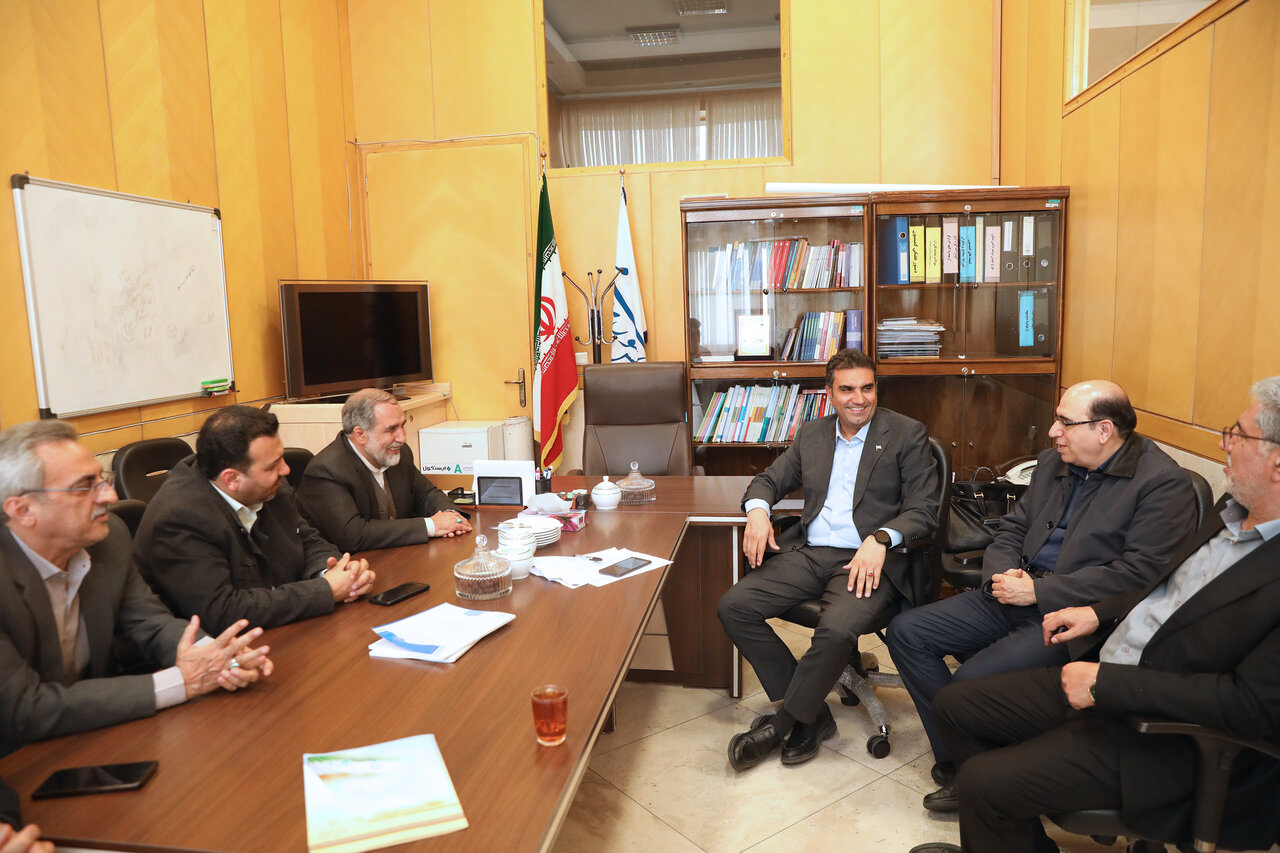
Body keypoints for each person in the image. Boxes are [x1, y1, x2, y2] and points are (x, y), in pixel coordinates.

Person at [909, 376, 1280, 853]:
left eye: (1238, 435)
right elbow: (1157, 587)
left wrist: (1107, 683)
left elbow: (1252, 706)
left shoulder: (1173, 491)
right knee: (955, 705)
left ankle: (999, 802)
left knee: (984, 780)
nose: (1223, 443)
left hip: (1160, 728)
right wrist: (1098, 614)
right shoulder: (1232, 510)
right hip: (1110, 662)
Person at [887, 380, 1198, 811]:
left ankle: (981, 777)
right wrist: (1001, 575)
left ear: (1104, 430)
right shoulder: (1055, 461)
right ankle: (965, 761)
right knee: (907, 632)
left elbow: (1140, 575)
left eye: (1065, 423)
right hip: (1015, 589)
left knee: (968, 685)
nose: (1053, 432)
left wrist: (1039, 591)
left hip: (1071, 614)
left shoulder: (1162, 484)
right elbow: (1012, 528)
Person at [717, 348, 939, 769]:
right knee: (735, 606)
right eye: (848, 390)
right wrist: (758, 512)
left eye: (867, 388)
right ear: (830, 394)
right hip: (810, 552)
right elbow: (768, 479)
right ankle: (812, 712)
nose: (859, 399)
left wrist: (881, 538)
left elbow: (924, 509)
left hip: (868, 560)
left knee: (836, 630)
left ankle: (784, 723)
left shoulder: (906, 434)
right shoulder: (813, 434)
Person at [0, 421, 272, 758]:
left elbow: (151, 622)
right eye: (84, 487)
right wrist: (183, 681)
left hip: (95, 734)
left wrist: (216, 656)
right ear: (23, 510)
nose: (110, 497)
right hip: (18, 761)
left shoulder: (108, 538)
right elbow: (24, 709)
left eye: (102, 480)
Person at [134, 406, 374, 634]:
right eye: (273, 466)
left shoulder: (267, 483)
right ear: (231, 479)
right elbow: (223, 611)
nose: (285, 470)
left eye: (281, 457)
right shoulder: (181, 518)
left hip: (281, 626)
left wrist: (338, 572)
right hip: (217, 648)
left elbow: (306, 538)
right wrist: (326, 590)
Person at [296, 388, 470, 552]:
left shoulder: (398, 452)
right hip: (353, 564)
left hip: (399, 555)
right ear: (360, 434)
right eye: (391, 429)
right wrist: (431, 525)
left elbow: (425, 493)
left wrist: (451, 516)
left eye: (402, 426)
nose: (402, 438)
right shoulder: (326, 471)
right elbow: (352, 534)